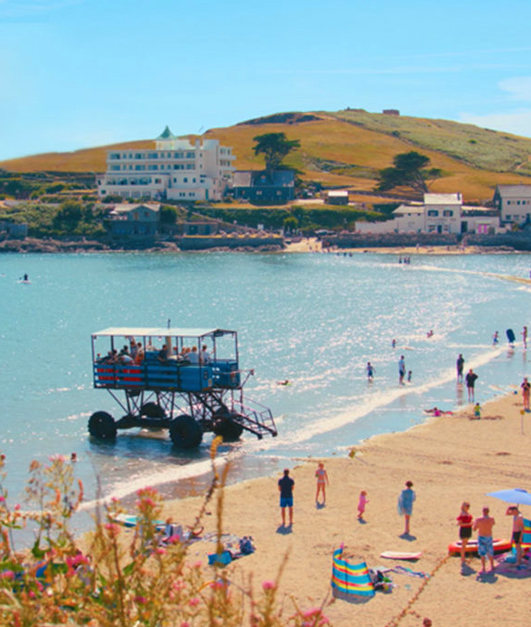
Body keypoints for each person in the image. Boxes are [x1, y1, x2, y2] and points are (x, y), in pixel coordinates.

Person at [473, 507, 496, 573]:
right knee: (490, 552)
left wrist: (474, 524)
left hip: (482, 537)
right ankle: (492, 565)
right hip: (489, 536)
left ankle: (483, 567)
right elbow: (493, 524)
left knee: (482, 553)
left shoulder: (479, 519)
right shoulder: (491, 519)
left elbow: (474, 529)